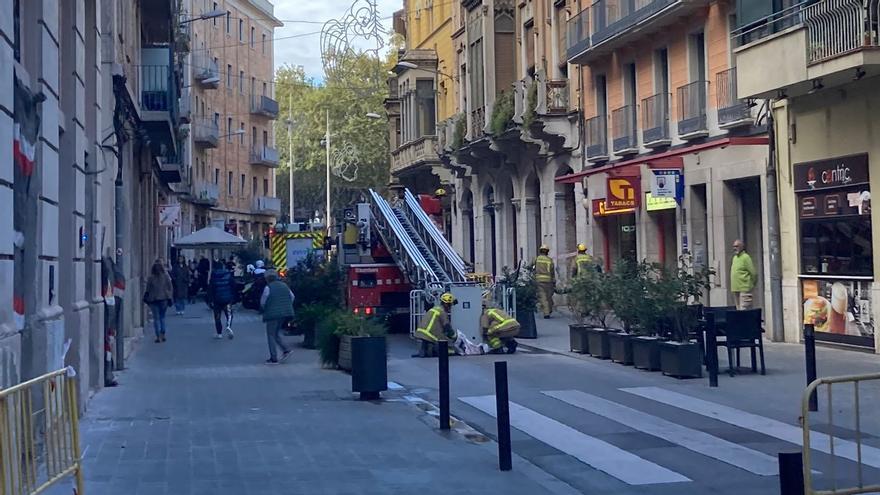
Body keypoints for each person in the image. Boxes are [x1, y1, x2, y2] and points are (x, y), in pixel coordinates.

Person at [260, 269, 294, 364]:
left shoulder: (268, 288)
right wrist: (286, 305)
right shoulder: (284, 285)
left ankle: (273, 358)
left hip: (272, 314)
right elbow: (292, 297)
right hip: (285, 313)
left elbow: (263, 302)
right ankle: (286, 350)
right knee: (276, 333)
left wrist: (265, 308)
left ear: (267, 279)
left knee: (270, 334)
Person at [412, 292, 457, 358]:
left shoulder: (434, 309)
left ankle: (424, 351)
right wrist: (454, 336)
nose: (450, 307)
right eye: (450, 305)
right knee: (449, 350)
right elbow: (447, 327)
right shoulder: (442, 312)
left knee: (431, 342)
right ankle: (430, 351)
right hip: (429, 335)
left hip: (421, 332)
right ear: (447, 304)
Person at [144, 260, 173, 343]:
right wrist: (169, 296)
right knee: (162, 317)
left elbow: (148, 290)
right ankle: (163, 333)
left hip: (153, 300)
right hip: (164, 299)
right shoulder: (166, 277)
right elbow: (170, 287)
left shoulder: (151, 278)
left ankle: (158, 336)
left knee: (156, 318)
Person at [208, 260, 236, 340]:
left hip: (217, 299)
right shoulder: (228, 274)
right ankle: (228, 326)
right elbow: (233, 285)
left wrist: (210, 299)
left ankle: (219, 333)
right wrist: (232, 297)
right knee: (229, 314)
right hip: (227, 299)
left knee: (217, 316)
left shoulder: (214, 275)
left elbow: (211, 288)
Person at [730, 239, 757, 310]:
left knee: (744, 309)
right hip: (736, 289)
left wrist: (751, 284)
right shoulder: (735, 258)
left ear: (742, 247)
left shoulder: (746, 257)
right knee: (738, 310)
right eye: (733, 246)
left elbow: (753, 273)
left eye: (737, 246)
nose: (734, 248)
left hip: (744, 289)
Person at [532, 245, 556, 318]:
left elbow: (530, 267)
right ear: (547, 252)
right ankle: (549, 309)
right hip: (548, 281)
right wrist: (553, 281)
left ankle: (546, 313)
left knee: (543, 297)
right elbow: (552, 271)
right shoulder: (550, 260)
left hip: (539, 280)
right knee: (549, 297)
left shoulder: (536, 259)